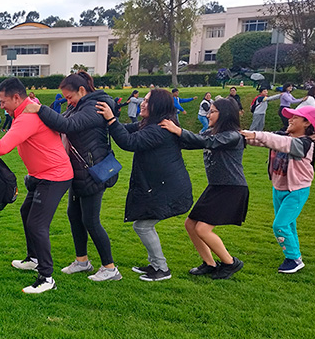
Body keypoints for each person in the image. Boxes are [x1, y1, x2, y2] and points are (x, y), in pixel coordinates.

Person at [0, 77, 74, 294]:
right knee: (26, 212)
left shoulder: (27, 117)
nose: (1, 106)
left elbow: (3, 147)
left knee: (38, 224)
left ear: (16, 97)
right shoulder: (24, 113)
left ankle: (46, 277)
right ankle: (34, 258)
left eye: (2, 102)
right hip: (40, 176)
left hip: (54, 176)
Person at [24, 71, 121, 281]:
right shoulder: (77, 106)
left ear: (82, 90)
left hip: (93, 172)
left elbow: (68, 125)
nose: (67, 101)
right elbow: (58, 122)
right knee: (74, 215)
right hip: (77, 172)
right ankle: (82, 261)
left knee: (91, 220)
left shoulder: (96, 106)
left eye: (69, 97)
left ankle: (110, 268)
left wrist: (40, 109)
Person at [96, 89, 193, 282]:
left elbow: (128, 142)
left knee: (142, 226)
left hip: (169, 189)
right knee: (143, 225)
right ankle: (155, 265)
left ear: (158, 106)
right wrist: (105, 123)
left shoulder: (160, 129)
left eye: (147, 101)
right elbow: (126, 129)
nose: (142, 103)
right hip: (162, 186)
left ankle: (162, 268)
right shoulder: (150, 124)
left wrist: (111, 120)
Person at [159, 98, 247, 279]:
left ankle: (230, 263)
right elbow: (193, 141)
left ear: (225, 114)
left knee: (203, 229)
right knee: (190, 225)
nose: (208, 114)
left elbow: (207, 142)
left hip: (231, 188)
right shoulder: (212, 132)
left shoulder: (233, 135)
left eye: (213, 111)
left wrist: (179, 130)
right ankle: (209, 263)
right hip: (216, 186)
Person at [241, 106, 315, 274]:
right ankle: (295, 255)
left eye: (295, 117)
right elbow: (262, 140)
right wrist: (240, 136)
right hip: (279, 187)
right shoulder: (283, 135)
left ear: (307, 123)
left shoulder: (305, 144)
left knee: (280, 225)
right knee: (288, 223)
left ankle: (293, 258)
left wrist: (257, 134)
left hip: (297, 190)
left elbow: (278, 142)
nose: (290, 119)